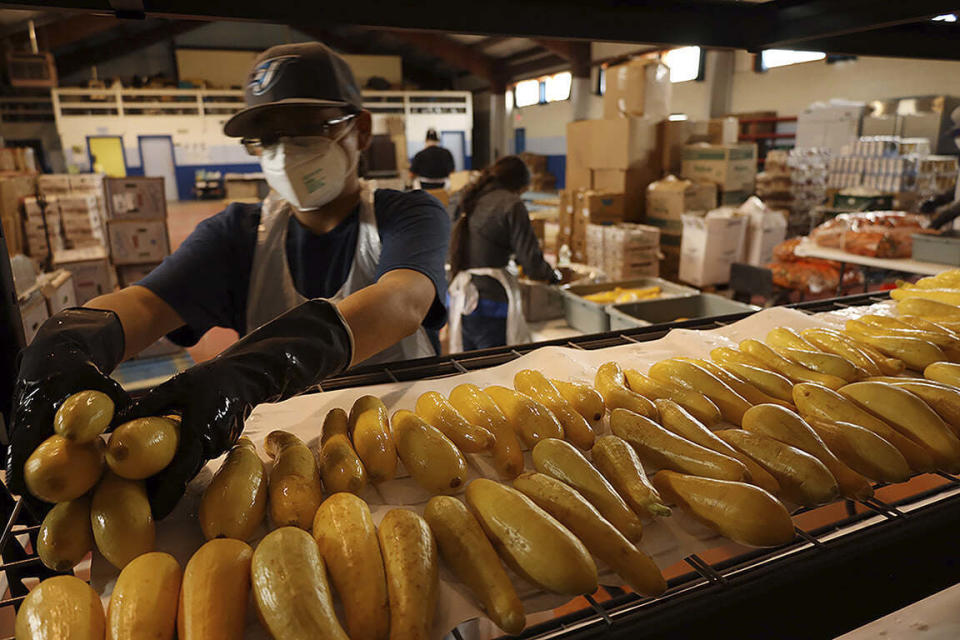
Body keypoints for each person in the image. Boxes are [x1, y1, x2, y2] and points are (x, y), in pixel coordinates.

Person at [6, 42, 450, 520]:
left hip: (410, 448)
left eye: (305, 130)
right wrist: (75, 335)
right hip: (289, 460)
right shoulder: (237, 236)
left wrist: (250, 370)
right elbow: (147, 304)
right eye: (267, 139)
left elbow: (402, 301)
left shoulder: (408, 215)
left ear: (359, 130)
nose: (284, 153)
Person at [448, 155, 561, 351]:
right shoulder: (511, 204)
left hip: (459, 297)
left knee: (469, 371)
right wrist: (552, 276)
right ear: (518, 185)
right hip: (490, 302)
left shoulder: (464, 196)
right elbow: (532, 264)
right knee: (494, 369)